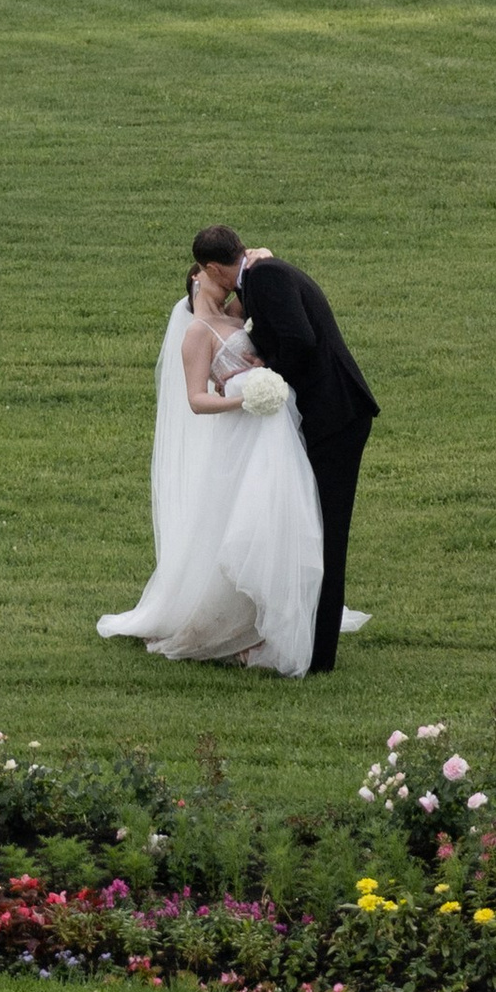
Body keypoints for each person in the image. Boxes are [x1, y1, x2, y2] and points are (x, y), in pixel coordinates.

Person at [96, 240, 326, 675]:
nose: (227, 291)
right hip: (242, 432)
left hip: (272, 433)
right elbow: (197, 400)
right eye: (216, 280)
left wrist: (261, 256)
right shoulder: (197, 333)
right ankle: (233, 625)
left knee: (282, 515)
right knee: (241, 523)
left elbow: (258, 283)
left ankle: (273, 617)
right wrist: (244, 400)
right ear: (200, 276)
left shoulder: (236, 315)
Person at [215, 231, 378, 674]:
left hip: (336, 418)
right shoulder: (265, 273)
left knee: (328, 534)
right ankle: (309, 641)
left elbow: (301, 340)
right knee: (316, 528)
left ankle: (319, 655)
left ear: (214, 269)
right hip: (331, 417)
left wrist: (269, 371)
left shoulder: (264, 276)